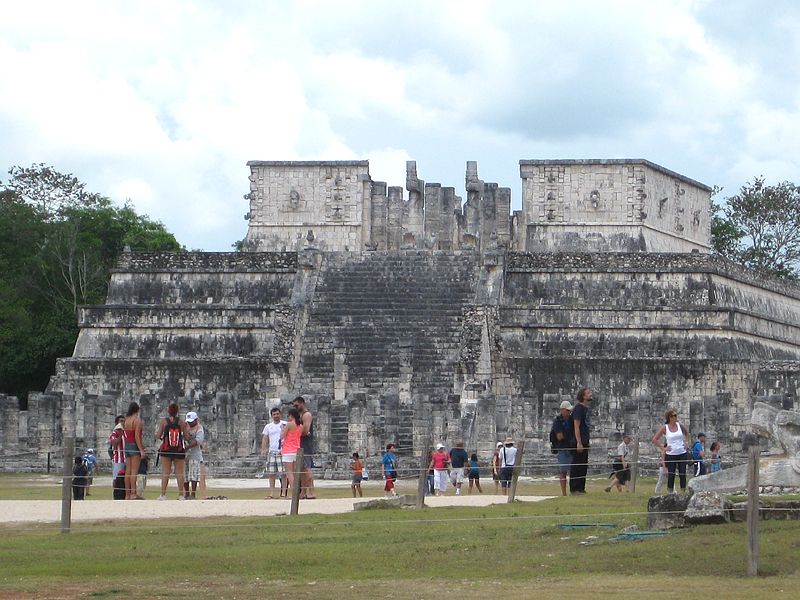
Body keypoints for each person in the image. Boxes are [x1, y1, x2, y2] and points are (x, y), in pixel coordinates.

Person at [156, 402, 190, 500]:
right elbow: (187, 437)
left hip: (166, 450)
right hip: (178, 451)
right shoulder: (182, 422)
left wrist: (163, 438)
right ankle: (181, 495)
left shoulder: (164, 422)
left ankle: (163, 494)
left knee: (166, 472)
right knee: (179, 473)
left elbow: (158, 435)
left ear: (168, 411)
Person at [651, 408, 690, 493]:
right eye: (674, 415)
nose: (676, 417)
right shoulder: (665, 428)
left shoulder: (680, 425)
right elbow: (654, 439)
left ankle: (683, 491)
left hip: (681, 452)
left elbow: (687, 434)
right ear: (670, 417)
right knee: (671, 474)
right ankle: (670, 492)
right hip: (671, 454)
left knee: (682, 474)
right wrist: (663, 448)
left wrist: (686, 443)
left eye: (676, 415)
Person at [569, 387, 593, 495]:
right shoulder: (578, 408)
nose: (590, 394)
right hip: (578, 442)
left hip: (584, 440)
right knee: (577, 465)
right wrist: (579, 442)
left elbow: (585, 427)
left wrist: (587, 441)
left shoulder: (585, 409)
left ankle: (581, 488)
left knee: (583, 466)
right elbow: (576, 426)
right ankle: (574, 488)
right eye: (588, 393)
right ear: (583, 396)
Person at [260, 406, 287, 499]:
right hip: (272, 452)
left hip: (282, 451)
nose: (276, 416)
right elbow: (265, 438)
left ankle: (283, 492)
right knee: (272, 474)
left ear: (280, 414)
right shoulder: (268, 426)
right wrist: (263, 449)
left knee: (283, 473)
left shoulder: (285, 424)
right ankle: (272, 493)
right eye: (274, 414)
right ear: (271, 415)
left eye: (277, 414)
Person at [292, 396, 316, 499]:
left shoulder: (306, 415)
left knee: (307, 469)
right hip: (299, 444)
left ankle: (311, 491)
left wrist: (294, 432)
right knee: (301, 469)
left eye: (296, 405)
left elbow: (306, 431)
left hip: (305, 445)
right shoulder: (300, 415)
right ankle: (303, 492)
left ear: (302, 403)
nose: (295, 407)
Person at [123, 401, 146, 500]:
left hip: (127, 445)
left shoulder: (126, 420)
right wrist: (141, 450)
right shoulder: (136, 421)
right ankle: (133, 493)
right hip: (134, 445)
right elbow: (137, 436)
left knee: (127, 471)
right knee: (134, 471)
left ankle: (127, 494)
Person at [550, 400, 573, 496]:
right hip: (563, 448)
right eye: (567, 410)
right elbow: (560, 436)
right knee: (563, 471)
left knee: (573, 471)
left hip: (571, 448)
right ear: (562, 410)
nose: (569, 412)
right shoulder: (557, 422)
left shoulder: (571, 420)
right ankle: (564, 493)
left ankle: (573, 491)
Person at [280, 407, 303, 496]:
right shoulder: (300, 426)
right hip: (296, 450)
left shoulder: (289, 424)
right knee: (294, 472)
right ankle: (297, 490)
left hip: (288, 450)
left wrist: (283, 428)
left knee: (289, 472)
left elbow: (282, 436)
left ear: (291, 416)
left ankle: (294, 491)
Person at [183, 411, 205, 499]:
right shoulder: (186, 427)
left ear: (196, 420)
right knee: (185, 475)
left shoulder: (199, 428)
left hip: (195, 455)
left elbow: (198, 441)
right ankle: (186, 493)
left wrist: (187, 447)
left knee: (193, 475)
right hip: (186, 456)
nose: (190, 423)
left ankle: (193, 494)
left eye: (191, 421)